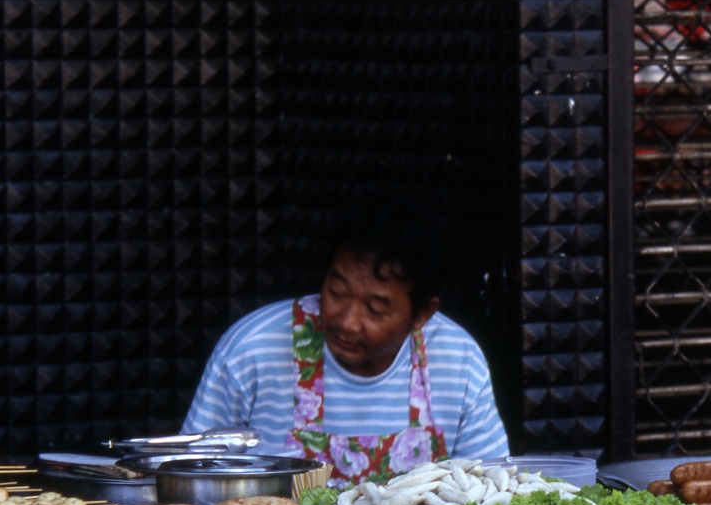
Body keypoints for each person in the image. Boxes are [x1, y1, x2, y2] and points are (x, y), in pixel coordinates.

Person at [182, 200, 510, 483]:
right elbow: (188, 473)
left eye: (375, 309)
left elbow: (493, 488)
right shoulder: (252, 350)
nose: (348, 322)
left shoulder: (459, 360)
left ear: (422, 313)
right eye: (337, 292)